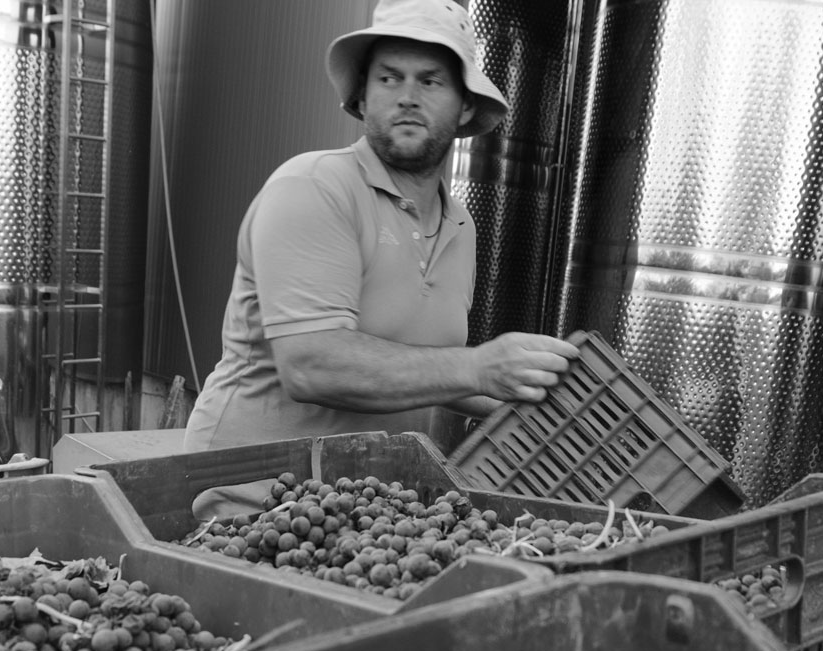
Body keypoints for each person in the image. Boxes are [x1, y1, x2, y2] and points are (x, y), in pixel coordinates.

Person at [184, 0, 579, 452]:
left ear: (466, 106)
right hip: (254, 496)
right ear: (363, 97)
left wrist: (538, 400)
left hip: (374, 501)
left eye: (430, 81)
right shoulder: (314, 188)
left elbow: (428, 368)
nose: (407, 96)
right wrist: (480, 367)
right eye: (389, 78)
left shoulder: (460, 225)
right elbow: (312, 366)